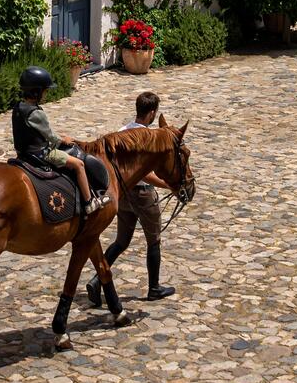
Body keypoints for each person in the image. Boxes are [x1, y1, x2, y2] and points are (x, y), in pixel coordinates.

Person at [88, 89, 175, 305]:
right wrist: (167, 184)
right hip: (143, 195)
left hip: (124, 194)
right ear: (152, 113)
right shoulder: (145, 137)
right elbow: (144, 173)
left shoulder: (122, 131)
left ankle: (97, 280)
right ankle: (154, 287)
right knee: (154, 239)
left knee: (121, 241)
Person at [12, 66, 108, 215]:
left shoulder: (19, 107)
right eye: (45, 90)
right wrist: (63, 140)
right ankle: (90, 202)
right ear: (37, 91)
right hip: (41, 154)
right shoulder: (36, 113)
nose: (46, 93)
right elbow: (50, 137)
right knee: (79, 164)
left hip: (23, 152)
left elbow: (37, 131)